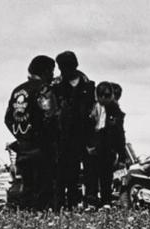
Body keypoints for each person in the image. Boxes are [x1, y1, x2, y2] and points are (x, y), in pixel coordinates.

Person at [5, 55, 59, 210]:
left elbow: (8, 118)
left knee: (27, 188)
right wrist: (52, 137)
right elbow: (50, 116)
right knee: (45, 190)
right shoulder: (43, 89)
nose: (53, 75)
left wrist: (21, 135)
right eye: (51, 71)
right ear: (45, 71)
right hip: (43, 148)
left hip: (23, 149)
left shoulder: (18, 91)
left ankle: (26, 222)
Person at [52, 50, 96, 209]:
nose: (63, 71)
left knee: (81, 173)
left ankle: (75, 203)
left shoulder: (89, 86)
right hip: (62, 135)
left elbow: (94, 113)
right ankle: (60, 206)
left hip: (83, 135)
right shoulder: (56, 86)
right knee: (61, 173)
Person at [84, 81, 128, 207]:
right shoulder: (89, 107)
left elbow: (120, 134)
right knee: (91, 176)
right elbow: (83, 128)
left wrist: (121, 155)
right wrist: (87, 145)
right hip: (92, 145)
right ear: (99, 96)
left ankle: (106, 201)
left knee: (106, 176)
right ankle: (91, 201)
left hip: (108, 146)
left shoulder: (115, 111)